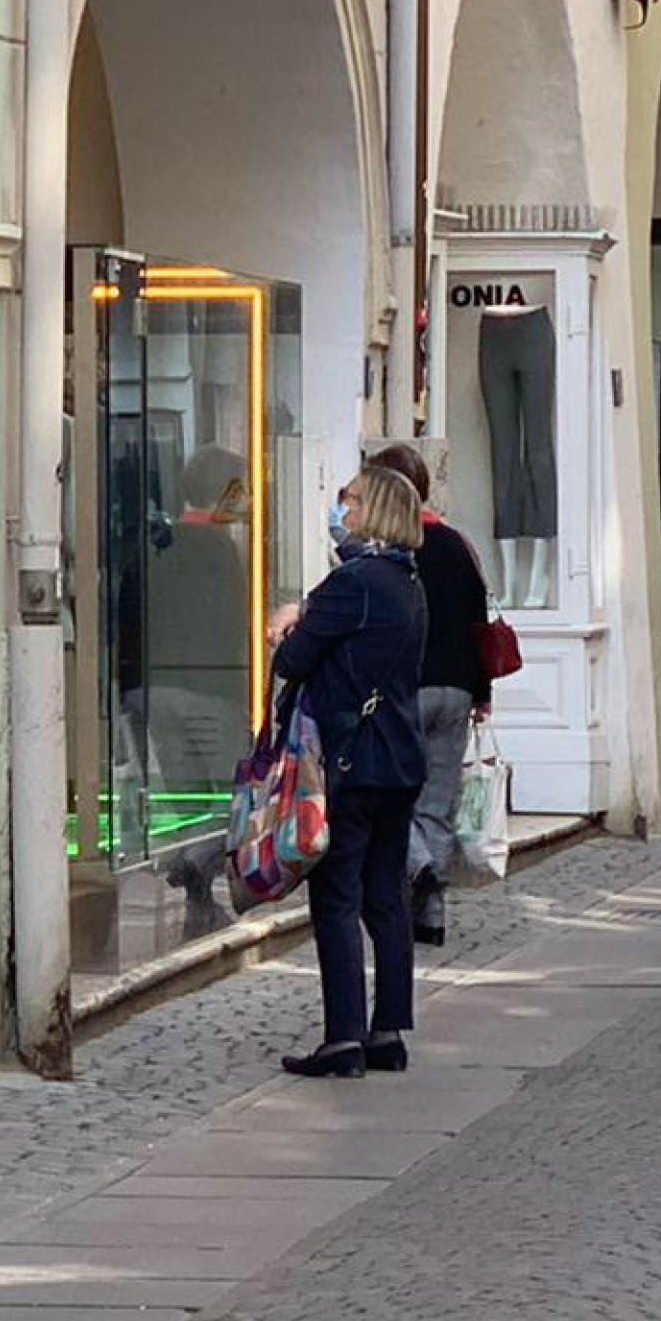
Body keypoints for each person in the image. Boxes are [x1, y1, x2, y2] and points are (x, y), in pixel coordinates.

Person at [270, 462, 431, 1079]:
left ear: (376, 510)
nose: (345, 509)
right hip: (399, 757)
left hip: (350, 760)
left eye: (353, 500)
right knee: (385, 896)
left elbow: (294, 659)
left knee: (336, 897)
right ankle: (387, 1030)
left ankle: (343, 1038)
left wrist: (291, 626)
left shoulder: (356, 582)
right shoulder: (408, 582)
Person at [366, 444, 498, 947]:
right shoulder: (458, 545)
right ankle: (431, 912)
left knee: (387, 799)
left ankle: (418, 867)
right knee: (436, 803)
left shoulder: (393, 551)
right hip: (456, 690)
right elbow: (478, 623)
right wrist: (481, 692)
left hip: (408, 690)